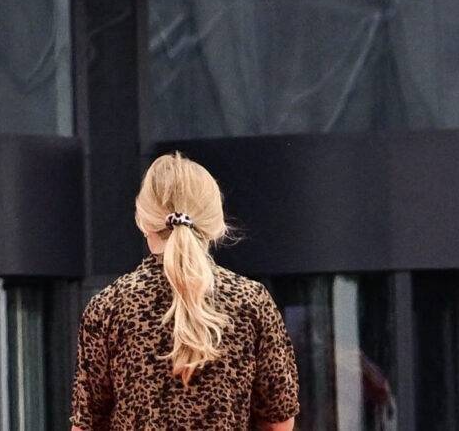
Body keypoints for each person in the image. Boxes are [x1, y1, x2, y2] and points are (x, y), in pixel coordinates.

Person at [71, 153, 298, 431]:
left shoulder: (108, 307)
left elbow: (87, 423)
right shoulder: (251, 302)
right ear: (215, 223)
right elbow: (279, 418)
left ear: (144, 221)